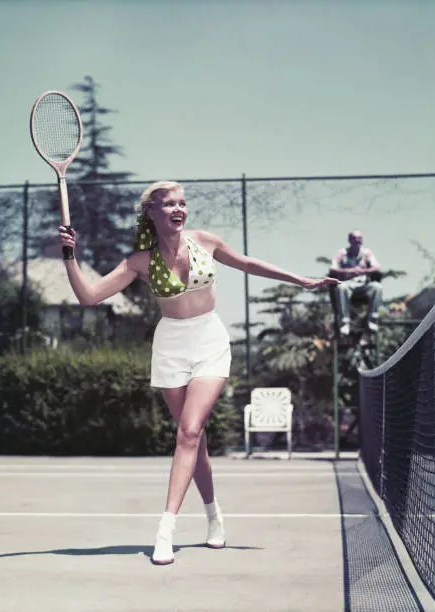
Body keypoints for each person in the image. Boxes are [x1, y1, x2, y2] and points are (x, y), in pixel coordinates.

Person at [58, 180, 339, 565]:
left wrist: (301, 280)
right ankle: (214, 517)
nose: (179, 209)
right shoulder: (140, 261)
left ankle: (165, 529)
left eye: (182, 203)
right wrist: (69, 256)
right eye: (170, 204)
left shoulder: (204, 241)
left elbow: (247, 263)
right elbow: (88, 296)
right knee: (195, 442)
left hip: (209, 341)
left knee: (188, 432)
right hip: (170, 348)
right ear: (152, 213)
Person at [329, 230, 382, 336]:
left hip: (363, 285)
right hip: (348, 285)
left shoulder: (367, 253)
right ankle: (345, 322)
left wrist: (363, 271)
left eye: (359, 238)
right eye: (354, 238)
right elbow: (332, 268)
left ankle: (372, 320)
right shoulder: (342, 253)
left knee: (377, 287)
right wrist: (349, 271)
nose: (357, 240)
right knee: (341, 287)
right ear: (349, 240)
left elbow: (377, 267)